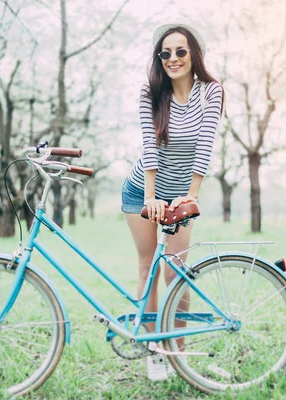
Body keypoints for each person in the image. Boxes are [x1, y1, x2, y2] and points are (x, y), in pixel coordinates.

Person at [120, 23, 224, 381]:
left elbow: (205, 145)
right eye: (166, 53)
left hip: (181, 194)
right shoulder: (150, 93)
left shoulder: (211, 91)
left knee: (176, 272)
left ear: (194, 54)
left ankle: (177, 350)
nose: (173, 58)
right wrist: (150, 197)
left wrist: (191, 195)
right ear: (159, 58)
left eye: (181, 51)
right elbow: (149, 147)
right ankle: (154, 350)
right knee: (149, 267)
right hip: (141, 192)